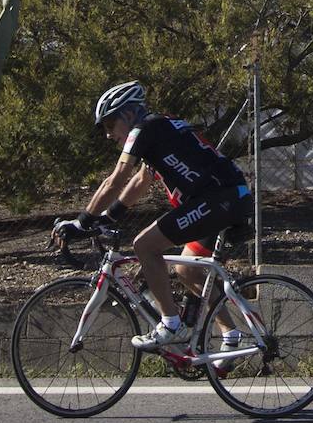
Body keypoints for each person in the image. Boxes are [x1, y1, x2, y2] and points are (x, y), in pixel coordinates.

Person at [53, 81, 252, 350]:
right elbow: (139, 182)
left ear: (126, 114)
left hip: (219, 199)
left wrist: (83, 221)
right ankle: (231, 338)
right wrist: (108, 218)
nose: (108, 136)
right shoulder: (160, 130)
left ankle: (171, 324)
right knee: (186, 269)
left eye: (110, 126)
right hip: (225, 197)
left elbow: (116, 180)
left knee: (144, 245)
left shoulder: (144, 129)